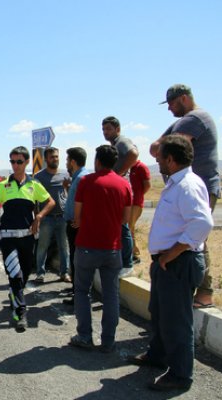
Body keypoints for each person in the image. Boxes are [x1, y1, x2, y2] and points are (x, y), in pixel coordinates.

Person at [128, 135, 213, 392]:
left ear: (171, 160)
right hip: (167, 263)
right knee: (161, 314)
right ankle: (158, 356)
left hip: (178, 263)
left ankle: (180, 375)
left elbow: (202, 223)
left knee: (177, 322)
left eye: (160, 158)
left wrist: (171, 254)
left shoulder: (187, 185)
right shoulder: (176, 184)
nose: (157, 163)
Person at [150, 84, 220, 309]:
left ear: (184, 99)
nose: (169, 108)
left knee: (197, 238)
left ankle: (204, 291)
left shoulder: (195, 119)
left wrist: (162, 147)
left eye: (171, 102)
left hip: (196, 187)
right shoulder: (181, 121)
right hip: (184, 186)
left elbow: (167, 146)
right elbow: (156, 147)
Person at [0, 146, 53, 332]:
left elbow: (51, 202)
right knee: (15, 274)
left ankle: (14, 294)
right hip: (7, 237)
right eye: (12, 161)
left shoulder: (33, 185)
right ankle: (20, 314)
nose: (15, 165)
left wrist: (40, 216)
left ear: (26, 162)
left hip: (27, 237)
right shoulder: (4, 185)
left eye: (19, 161)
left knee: (25, 273)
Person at [69, 145, 132, 353]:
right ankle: (108, 341)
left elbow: (77, 215)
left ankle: (85, 336)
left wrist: (82, 222)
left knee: (82, 291)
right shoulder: (124, 185)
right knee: (111, 295)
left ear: (97, 161)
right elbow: (126, 218)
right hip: (112, 248)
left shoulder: (87, 181)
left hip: (87, 245)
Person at [102, 116, 137, 277]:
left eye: (108, 129)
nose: (105, 132)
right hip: (118, 189)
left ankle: (127, 263)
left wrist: (118, 173)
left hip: (121, 189)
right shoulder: (114, 145)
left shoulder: (122, 141)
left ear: (117, 129)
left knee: (123, 226)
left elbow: (133, 153)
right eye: (103, 129)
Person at [33, 147, 70, 283]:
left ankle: (64, 273)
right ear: (46, 159)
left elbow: (69, 194)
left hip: (62, 217)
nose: (55, 159)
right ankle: (40, 273)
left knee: (64, 247)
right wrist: (36, 217)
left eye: (56, 156)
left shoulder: (65, 175)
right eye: (52, 157)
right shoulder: (39, 177)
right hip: (46, 219)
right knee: (42, 247)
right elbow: (35, 199)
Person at [61, 147, 90, 306]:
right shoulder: (78, 177)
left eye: (67, 160)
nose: (66, 163)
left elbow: (83, 203)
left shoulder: (81, 178)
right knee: (74, 258)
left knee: (76, 259)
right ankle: (75, 289)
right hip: (74, 223)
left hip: (75, 225)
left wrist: (79, 220)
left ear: (73, 161)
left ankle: (78, 293)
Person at [129, 160, 151, 264]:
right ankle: (133, 252)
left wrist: (139, 195)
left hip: (137, 202)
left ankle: (135, 254)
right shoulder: (132, 168)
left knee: (130, 227)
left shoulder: (141, 167)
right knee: (130, 228)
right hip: (132, 202)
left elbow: (147, 185)